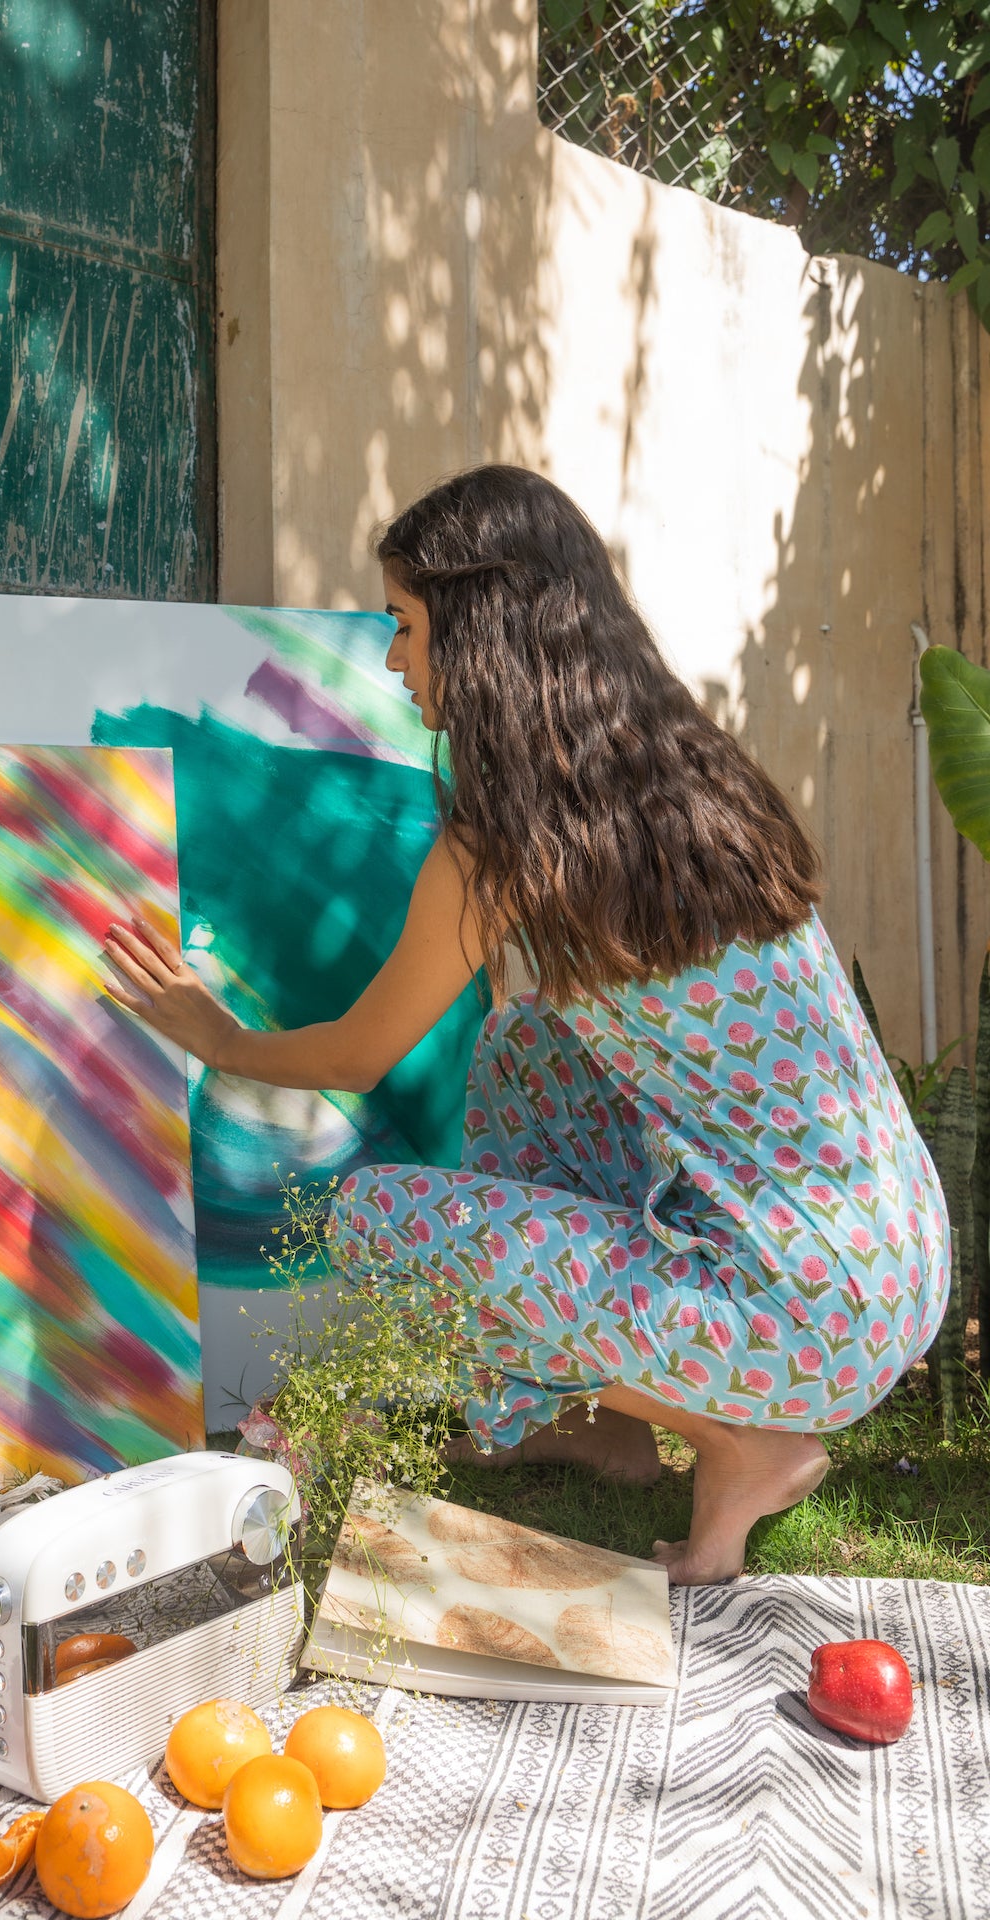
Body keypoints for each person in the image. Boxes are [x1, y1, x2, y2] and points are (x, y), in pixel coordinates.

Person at [101, 464, 951, 1586]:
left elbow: (359, 1054)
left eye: (404, 626)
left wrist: (213, 1035)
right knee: (525, 1041)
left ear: (478, 628)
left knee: (378, 1216)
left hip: (792, 1322)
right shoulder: (695, 777)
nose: (392, 660)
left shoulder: (499, 846)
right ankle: (594, 1426)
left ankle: (741, 1443)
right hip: (896, 1267)